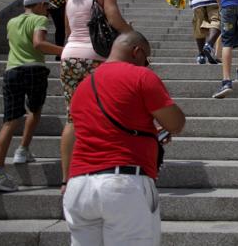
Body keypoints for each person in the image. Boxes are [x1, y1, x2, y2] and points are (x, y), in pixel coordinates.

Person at [63, 31, 186, 246]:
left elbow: (76, 134)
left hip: (79, 186)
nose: (147, 64)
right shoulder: (141, 76)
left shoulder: (83, 86)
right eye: (147, 58)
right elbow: (176, 123)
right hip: (123, 183)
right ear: (137, 52)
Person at [60, 0, 132, 189]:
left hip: (70, 57)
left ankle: (66, 179)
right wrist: (133, 34)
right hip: (96, 58)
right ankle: (104, 169)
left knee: (73, 117)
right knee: (106, 112)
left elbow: (69, 30)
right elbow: (114, 19)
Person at [0, 0, 65, 192]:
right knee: (34, 110)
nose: (47, 12)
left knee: (10, 120)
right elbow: (39, 44)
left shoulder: (11, 22)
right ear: (38, 5)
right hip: (33, 70)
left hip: (11, 71)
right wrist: (65, 50)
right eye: (46, 7)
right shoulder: (39, 20)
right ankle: (23, 149)